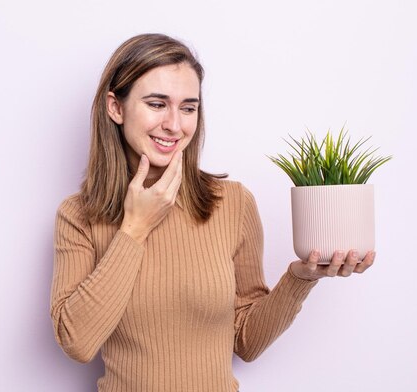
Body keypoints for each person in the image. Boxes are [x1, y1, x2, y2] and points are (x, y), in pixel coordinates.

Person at [49, 33, 375, 392]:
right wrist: (135, 229)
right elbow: (77, 342)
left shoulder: (232, 203)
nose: (175, 124)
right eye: (157, 104)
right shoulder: (78, 216)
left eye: (188, 107)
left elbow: (247, 342)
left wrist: (302, 277)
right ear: (116, 107)